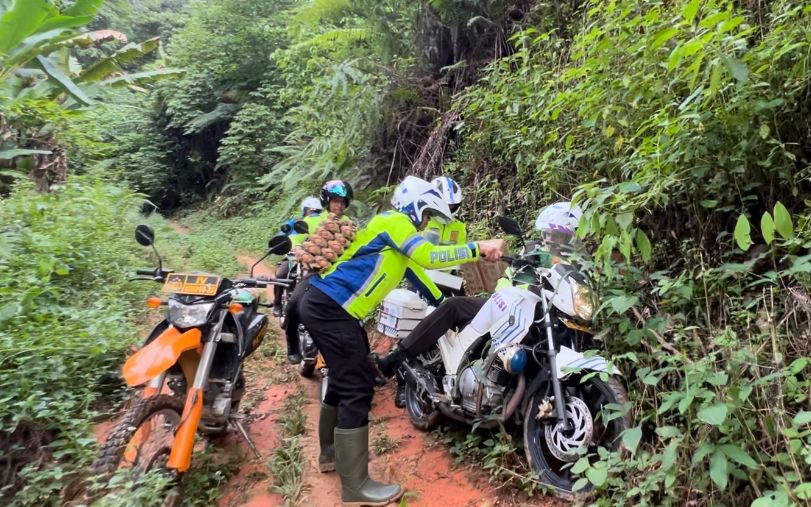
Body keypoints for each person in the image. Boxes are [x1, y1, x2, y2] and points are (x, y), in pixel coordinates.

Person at [297, 176, 505, 505]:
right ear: (414, 207)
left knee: (341, 379)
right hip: (330, 308)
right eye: (425, 217)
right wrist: (478, 248)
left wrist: (446, 305)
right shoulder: (394, 222)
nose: (425, 224)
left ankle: (330, 455)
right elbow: (429, 258)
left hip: (328, 306)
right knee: (357, 387)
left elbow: (418, 276)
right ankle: (356, 488)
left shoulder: (394, 233)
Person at [371, 201, 583, 380]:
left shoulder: (577, 263)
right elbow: (507, 281)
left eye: (560, 235)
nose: (553, 238)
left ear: (571, 236)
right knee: (453, 306)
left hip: (546, 315)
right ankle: (396, 358)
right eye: (552, 233)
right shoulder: (532, 253)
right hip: (507, 306)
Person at [282, 179, 353, 364]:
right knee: (294, 304)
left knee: (355, 314)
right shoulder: (312, 221)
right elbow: (296, 238)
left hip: (340, 276)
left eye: (343, 201)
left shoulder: (350, 225)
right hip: (315, 274)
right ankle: (292, 341)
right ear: (327, 201)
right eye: (335, 200)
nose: (339, 205)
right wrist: (297, 249)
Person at [272, 196, 323, 317]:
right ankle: (277, 303)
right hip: (293, 256)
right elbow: (282, 233)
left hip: (315, 259)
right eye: (310, 211)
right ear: (305, 211)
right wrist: (282, 240)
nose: (313, 214)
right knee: (281, 274)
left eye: (316, 212)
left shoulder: (324, 222)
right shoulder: (295, 223)